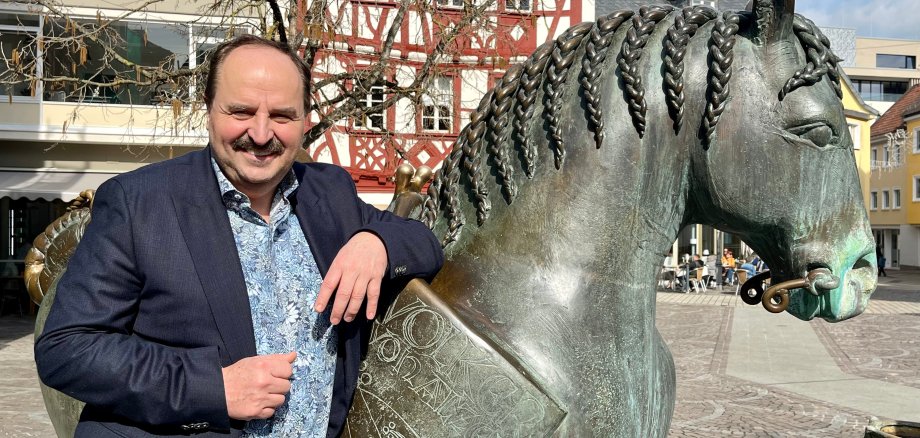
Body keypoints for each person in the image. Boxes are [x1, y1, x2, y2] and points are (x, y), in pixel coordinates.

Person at [34, 35, 444, 438]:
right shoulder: (138, 203)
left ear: (305, 120)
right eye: (241, 111)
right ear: (209, 110)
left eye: (282, 115)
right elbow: (67, 348)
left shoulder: (328, 191)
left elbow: (422, 240)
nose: (262, 134)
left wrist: (377, 245)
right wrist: (213, 387)